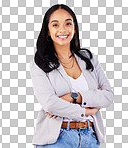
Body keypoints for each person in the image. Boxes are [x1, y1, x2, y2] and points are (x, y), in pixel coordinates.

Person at [29, 4, 114, 148]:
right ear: (48, 31)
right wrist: (86, 110)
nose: (62, 29)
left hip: (90, 137)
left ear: (74, 28)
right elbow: (50, 104)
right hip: (58, 139)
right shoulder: (40, 63)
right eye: (55, 24)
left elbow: (108, 96)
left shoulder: (89, 58)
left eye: (68, 23)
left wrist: (73, 97)